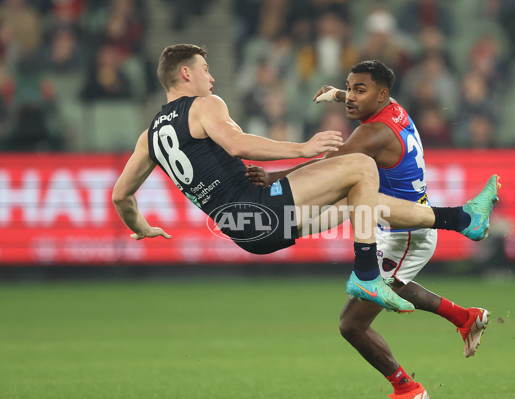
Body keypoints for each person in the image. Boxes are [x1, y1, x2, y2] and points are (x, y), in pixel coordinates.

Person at [247, 60, 500, 399]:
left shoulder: (373, 134)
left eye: (358, 91)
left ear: (382, 94)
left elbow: (326, 168)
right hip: (389, 220)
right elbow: (359, 100)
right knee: (391, 282)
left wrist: (276, 177)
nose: (350, 97)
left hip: (405, 232)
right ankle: (465, 318)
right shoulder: (393, 109)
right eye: (348, 88)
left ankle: (407, 388)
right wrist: (337, 95)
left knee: (352, 324)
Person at [112, 43, 432, 315]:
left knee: (355, 198)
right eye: (205, 70)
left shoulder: (149, 137)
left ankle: (452, 220)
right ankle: (366, 274)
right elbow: (237, 144)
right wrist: (302, 148)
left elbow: (120, 196)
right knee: (361, 167)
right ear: (186, 74)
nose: (211, 78)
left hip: (243, 231)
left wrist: (142, 227)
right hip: (262, 205)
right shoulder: (204, 105)